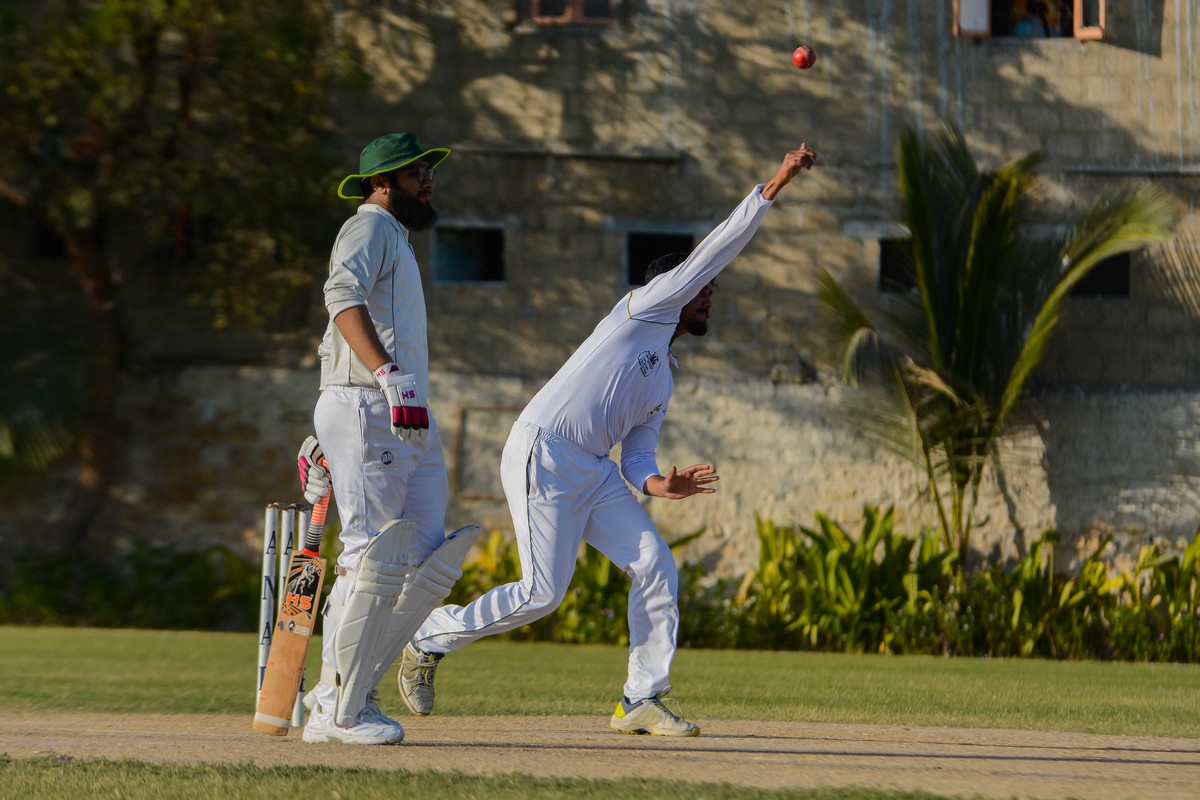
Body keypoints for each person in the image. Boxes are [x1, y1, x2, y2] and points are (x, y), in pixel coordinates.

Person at [398, 143, 818, 737]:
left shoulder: (663, 375)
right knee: (542, 595)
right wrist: (776, 182)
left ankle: (640, 698)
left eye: (710, 291)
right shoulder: (645, 308)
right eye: (703, 288)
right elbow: (716, 248)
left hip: (595, 470)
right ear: (675, 286)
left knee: (655, 565)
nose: (709, 296)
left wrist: (659, 483)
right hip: (545, 451)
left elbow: (637, 455)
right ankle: (429, 636)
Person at [296, 132, 480, 746]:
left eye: (428, 171)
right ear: (383, 182)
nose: (429, 180)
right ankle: (335, 709)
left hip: (402, 410)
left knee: (424, 559)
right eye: (416, 172)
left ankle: (352, 690)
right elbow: (340, 298)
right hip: (372, 403)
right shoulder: (368, 225)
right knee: (370, 555)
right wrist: (384, 376)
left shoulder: (395, 236)